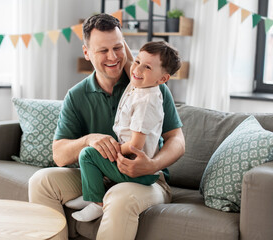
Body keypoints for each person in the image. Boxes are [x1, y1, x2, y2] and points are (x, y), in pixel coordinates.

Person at [28, 13, 185, 240]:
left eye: (118, 47)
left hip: (149, 180)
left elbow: (178, 141)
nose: (113, 57)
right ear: (87, 53)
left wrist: (151, 165)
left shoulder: (149, 86)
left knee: (120, 197)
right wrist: (89, 139)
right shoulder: (77, 95)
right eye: (103, 50)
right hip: (100, 176)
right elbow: (59, 155)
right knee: (41, 182)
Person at [67, 41, 182, 222]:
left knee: (88, 154)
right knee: (92, 153)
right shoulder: (139, 82)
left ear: (163, 79)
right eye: (137, 62)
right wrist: (117, 31)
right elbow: (130, 58)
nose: (137, 70)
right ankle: (92, 195)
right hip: (132, 164)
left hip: (138, 170)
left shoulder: (147, 101)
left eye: (147, 67)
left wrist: (115, 149)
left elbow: (136, 145)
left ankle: (96, 203)